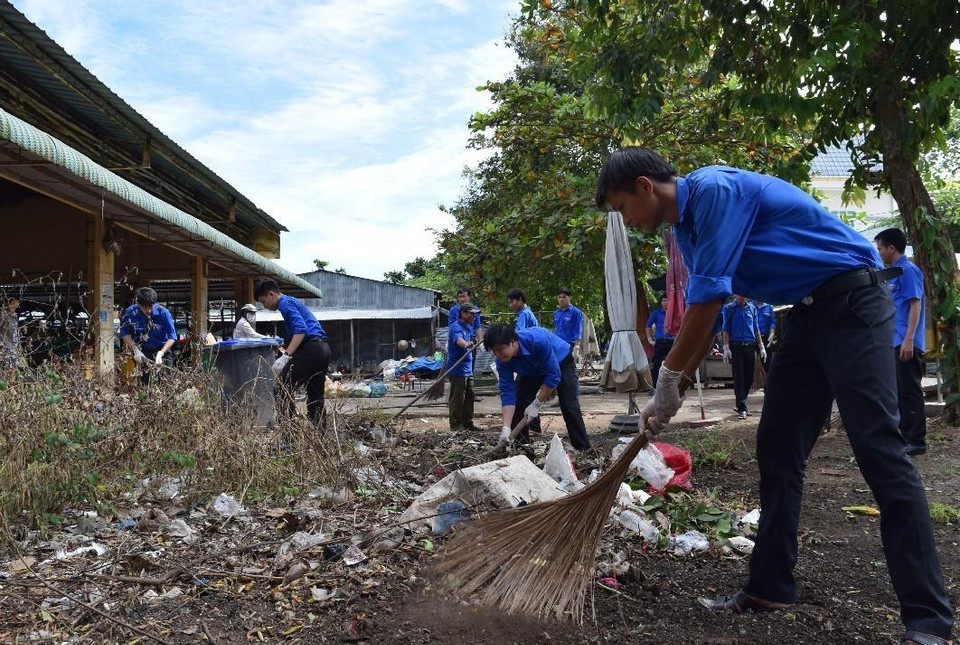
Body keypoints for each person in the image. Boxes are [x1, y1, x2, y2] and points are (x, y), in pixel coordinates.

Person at [595, 147, 952, 644]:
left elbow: (709, 300)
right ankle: (769, 586)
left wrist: (668, 382)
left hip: (854, 301)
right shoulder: (685, 232)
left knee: (879, 450)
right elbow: (706, 308)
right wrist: (670, 386)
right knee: (778, 448)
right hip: (807, 314)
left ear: (644, 186)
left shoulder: (715, 190)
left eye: (621, 208)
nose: (627, 221)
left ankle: (928, 620)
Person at [484, 323, 590, 451]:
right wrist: (506, 428)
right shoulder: (502, 361)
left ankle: (583, 448)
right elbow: (507, 392)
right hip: (530, 371)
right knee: (519, 402)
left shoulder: (536, 340)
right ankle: (522, 448)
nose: (498, 355)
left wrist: (536, 404)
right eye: (494, 351)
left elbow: (553, 375)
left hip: (561, 362)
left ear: (513, 342)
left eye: (500, 349)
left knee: (569, 404)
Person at [875, 228, 928, 456]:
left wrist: (908, 339)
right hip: (894, 341)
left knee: (910, 391)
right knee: (898, 391)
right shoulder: (893, 273)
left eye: (880, 249)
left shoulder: (908, 271)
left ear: (891, 248)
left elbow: (915, 305)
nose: (878, 253)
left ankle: (916, 440)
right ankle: (904, 436)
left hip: (907, 341)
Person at [256, 279, 330, 426]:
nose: (265, 306)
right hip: (323, 349)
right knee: (315, 394)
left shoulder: (284, 303)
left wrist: (287, 356)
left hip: (312, 349)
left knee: (282, 387)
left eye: (264, 302)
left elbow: (301, 329)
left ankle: (289, 435)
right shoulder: (291, 302)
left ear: (272, 294)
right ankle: (320, 436)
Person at [119, 287, 176, 384]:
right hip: (143, 352)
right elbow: (125, 333)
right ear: (138, 303)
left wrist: (161, 353)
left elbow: (172, 336)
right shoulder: (131, 312)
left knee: (165, 382)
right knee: (145, 383)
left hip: (163, 351)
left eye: (151, 306)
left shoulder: (164, 313)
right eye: (145, 307)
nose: (149, 310)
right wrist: (135, 350)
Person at [722, 295, 765, 419]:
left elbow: (756, 328)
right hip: (736, 347)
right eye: (738, 293)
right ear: (735, 295)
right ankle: (742, 408)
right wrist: (726, 347)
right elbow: (726, 328)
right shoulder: (729, 308)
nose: (741, 296)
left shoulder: (752, 309)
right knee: (739, 377)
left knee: (749, 378)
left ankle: (741, 401)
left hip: (750, 346)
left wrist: (761, 345)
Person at [447, 303, 481, 432]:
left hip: (467, 369)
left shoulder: (468, 327)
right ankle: (456, 426)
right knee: (458, 398)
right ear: (463, 314)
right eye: (471, 313)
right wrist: (466, 344)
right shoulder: (457, 327)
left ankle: (468, 423)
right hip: (457, 370)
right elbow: (458, 340)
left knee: (469, 397)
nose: (474, 316)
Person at [645, 294, 675, 388]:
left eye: (667, 301)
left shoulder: (675, 313)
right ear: (661, 303)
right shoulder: (656, 313)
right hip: (660, 342)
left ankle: (673, 386)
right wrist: (649, 339)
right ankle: (655, 387)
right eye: (664, 301)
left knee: (673, 364)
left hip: (672, 342)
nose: (666, 303)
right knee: (657, 365)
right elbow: (648, 326)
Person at [553, 287, 584, 362]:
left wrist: (576, 346)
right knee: (557, 369)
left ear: (569, 298)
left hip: (569, 346)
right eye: (559, 297)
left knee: (569, 369)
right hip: (557, 345)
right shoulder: (556, 313)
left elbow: (578, 330)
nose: (561, 299)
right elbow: (555, 328)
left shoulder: (575, 312)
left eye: (564, 297)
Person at [754, 299, 776, 372]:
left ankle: (768, 381)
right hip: (752, 339)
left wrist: (772, 333)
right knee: (751, 363)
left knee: (767, 362)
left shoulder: (769, 307)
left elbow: (772, 322)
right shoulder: (750, 307)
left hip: (766, 338)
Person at [0, 295, 20, 373]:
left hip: (13, 345)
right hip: (5, 344)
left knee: (14, 365)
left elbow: (15, 331)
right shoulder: (3, 315)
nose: (14, 306)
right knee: (6, 365)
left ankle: (11, 383)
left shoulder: (15, 316)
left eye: (16, 304)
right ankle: (5, 383)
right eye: (12, 304)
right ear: (7, 303)